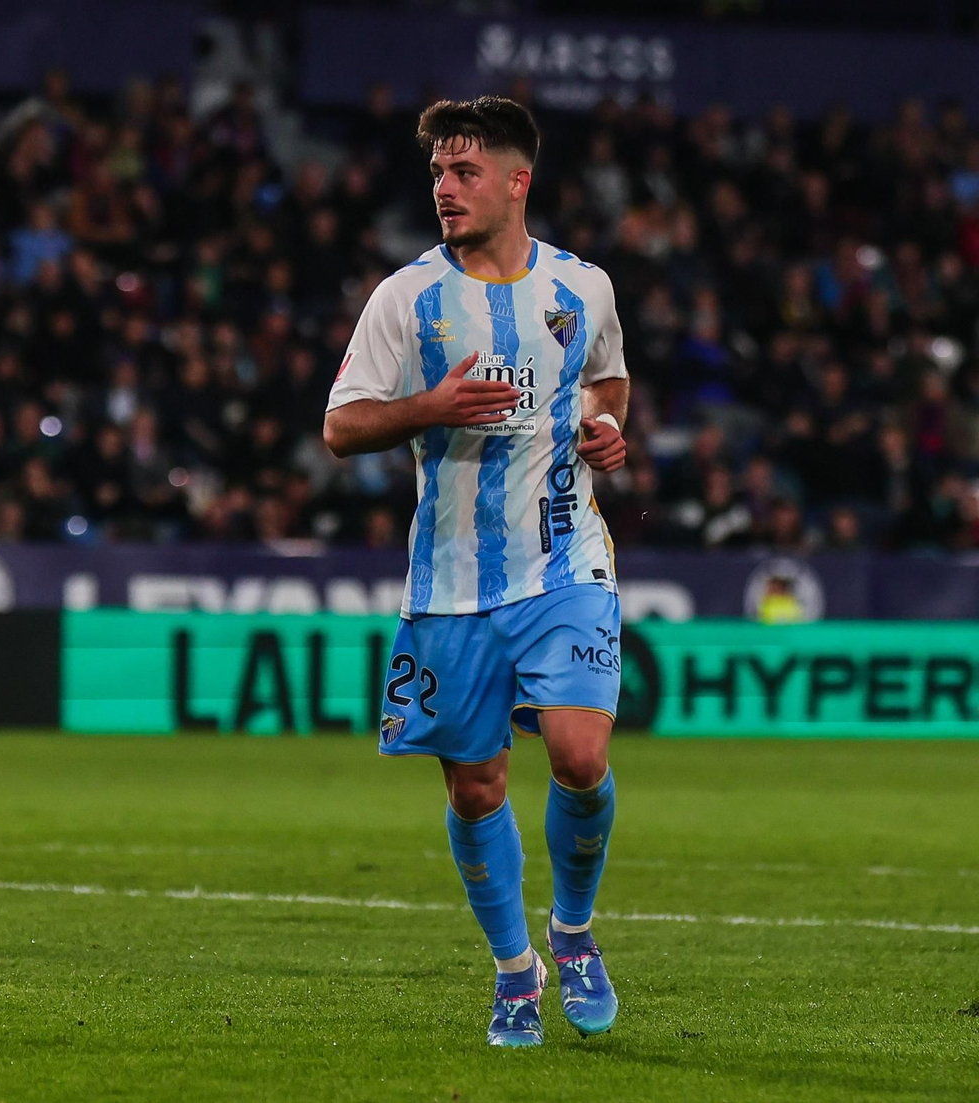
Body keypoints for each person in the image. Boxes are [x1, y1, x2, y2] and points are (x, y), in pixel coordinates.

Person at [323, 97, 629, 1047]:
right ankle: (514, 973)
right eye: (437, 175)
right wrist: (433, 405)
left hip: (566, 557)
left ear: (515, 181)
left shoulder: (583, 287)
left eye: (463, 172)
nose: (444, 189)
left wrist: (608, 426)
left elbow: (606, 379)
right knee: (477, 788)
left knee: (579, 756)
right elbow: (341, 426)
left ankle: (572, 932)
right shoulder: (404, 298)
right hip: (451, 582)